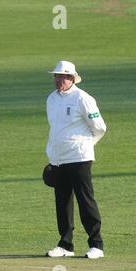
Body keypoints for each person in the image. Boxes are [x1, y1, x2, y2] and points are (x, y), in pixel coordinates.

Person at [45, 60, 107, 259]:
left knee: (85, 200)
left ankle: (96, 244)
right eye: (56, 76)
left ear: (72, 78)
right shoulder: (51, 99)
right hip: (58, 158)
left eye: (62, 76)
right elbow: (55, 129)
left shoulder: (83, 98)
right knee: (62, 202)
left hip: (80, 157)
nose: (58, 79)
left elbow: (100, 127)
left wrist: (87, 145)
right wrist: (52, 156)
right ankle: (65, 244)